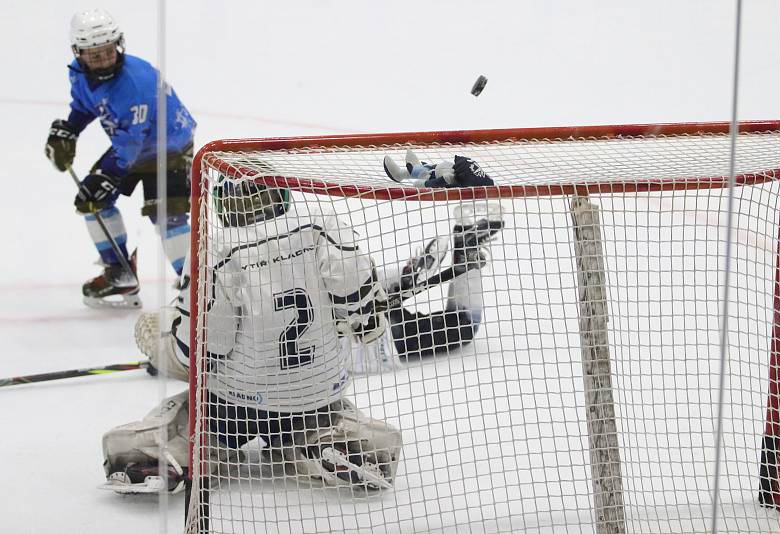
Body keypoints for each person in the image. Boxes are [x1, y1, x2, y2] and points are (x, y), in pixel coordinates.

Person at [99, 155, 504, 494]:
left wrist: (169, 350)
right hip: (323, 382)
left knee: (192, 406)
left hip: (238, 398)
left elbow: (207, 347)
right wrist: (374, 312)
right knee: (328, 410)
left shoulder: (216, 246)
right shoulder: (318, 226)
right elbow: (359, 294)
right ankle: (336, 442)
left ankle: (172, 449)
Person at [44, 8, 196, 309]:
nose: (102, 61)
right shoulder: (79, 73)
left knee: (167, 215)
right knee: (91, 199)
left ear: (118, 45)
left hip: (171, 149)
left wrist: (108, 174)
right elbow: (88, 104)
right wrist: (71, 128)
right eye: (94, 55)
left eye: (108, 52)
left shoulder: (135, 84)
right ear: (79, 53)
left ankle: (197, 286)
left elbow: (130, 143)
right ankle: (120, 273)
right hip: (133, 146)